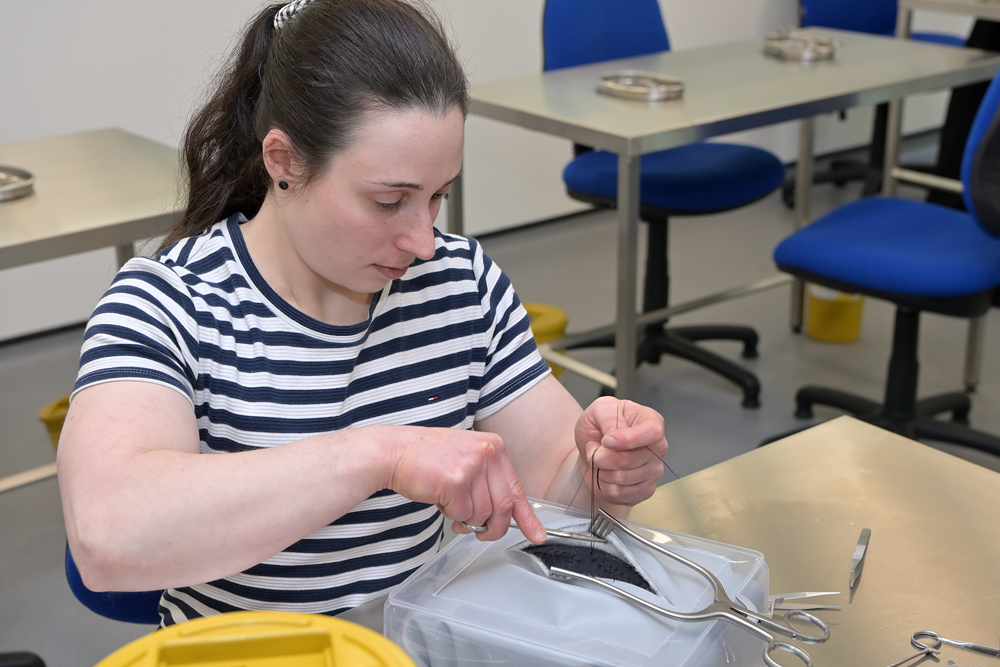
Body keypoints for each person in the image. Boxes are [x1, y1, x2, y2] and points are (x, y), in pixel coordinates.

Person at [56, 0, 668, 627]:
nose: (423, 241)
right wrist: (381, 455)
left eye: (437, 197)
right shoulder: (167, 302)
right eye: (388, 201)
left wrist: (602, 473)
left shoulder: (459, 283)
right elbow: (109, 540)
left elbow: (553, 491)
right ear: (284, 162)